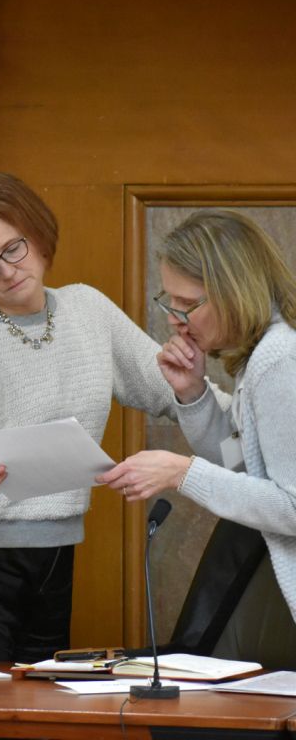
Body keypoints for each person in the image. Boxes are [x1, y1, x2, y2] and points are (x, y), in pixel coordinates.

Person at [0, 171, 177, 664]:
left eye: (14, 248)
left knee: (38, 720)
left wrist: (245, 411)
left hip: (54, 563)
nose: (8, 271)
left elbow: (171, 388)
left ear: (37, 235)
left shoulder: (89, 310)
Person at [97, 208, 296, 624]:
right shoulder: (262, 353)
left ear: (235, 293)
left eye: (188, 304)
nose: (173, 319)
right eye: (170, 301)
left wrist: (182, 473)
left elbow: (293, 506)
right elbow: (246, 469)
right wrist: (193, 393)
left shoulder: (279, 359)